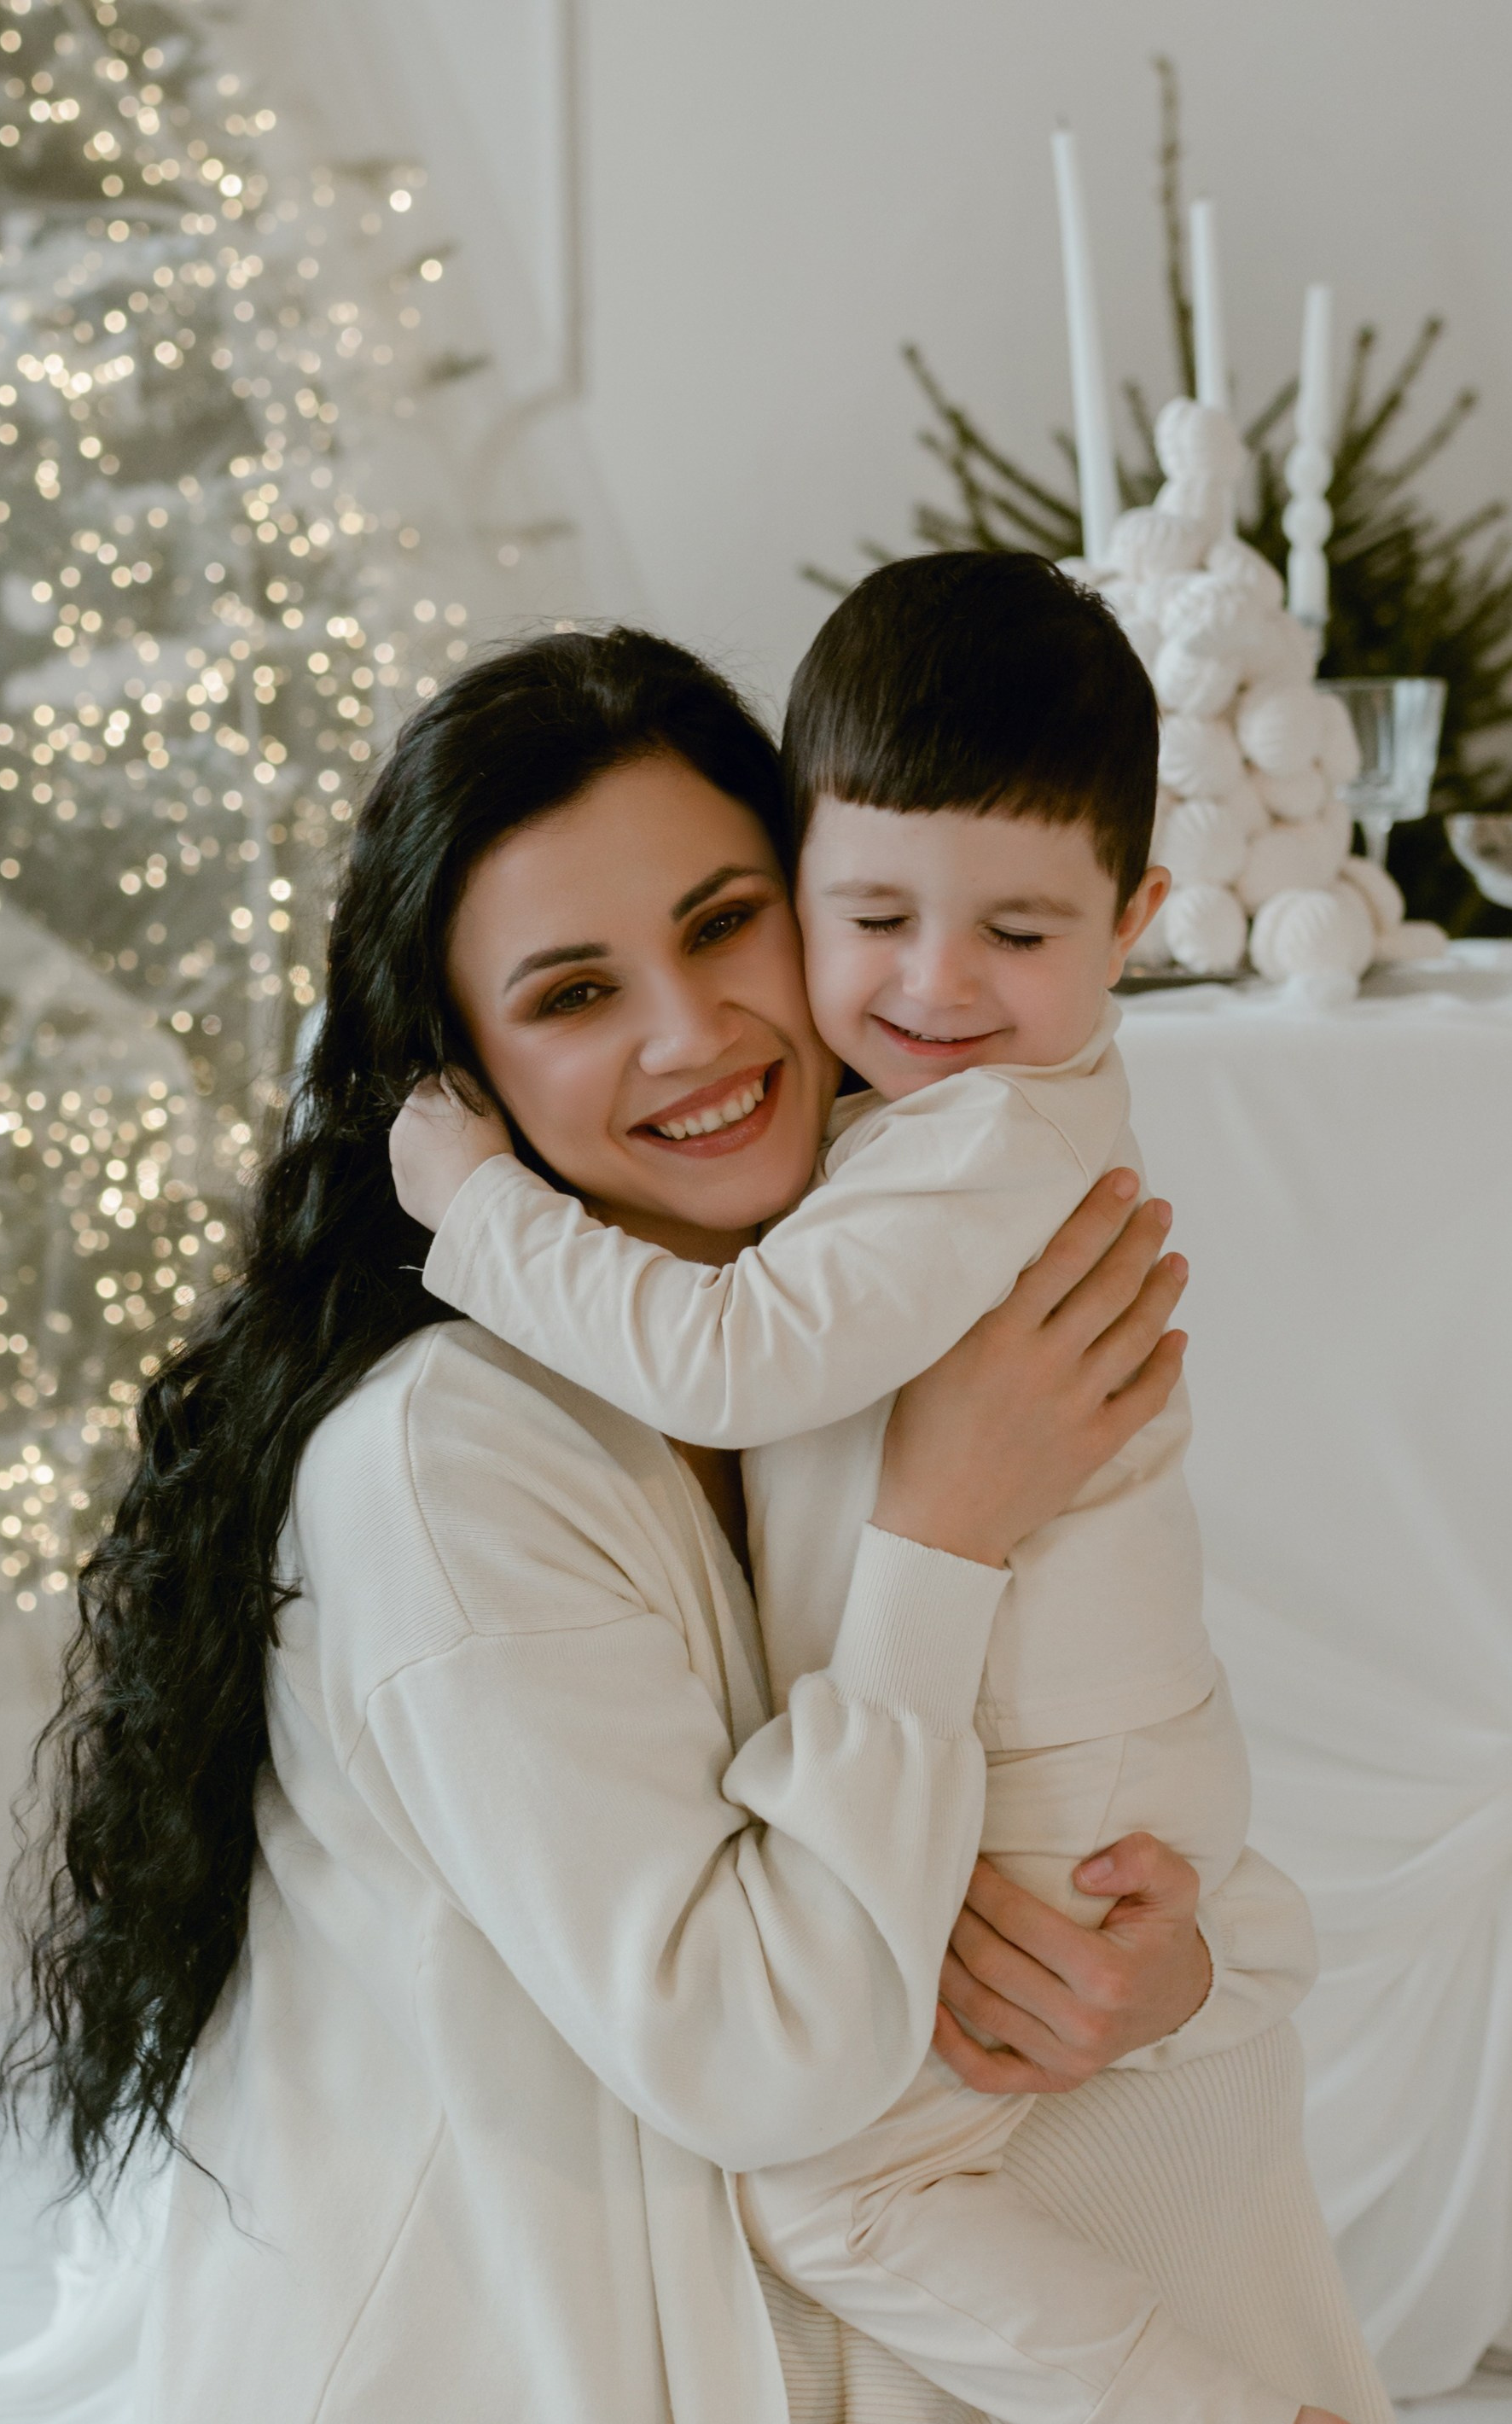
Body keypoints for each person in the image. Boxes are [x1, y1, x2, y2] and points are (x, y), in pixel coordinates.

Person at [0, 626, 1325, 2424]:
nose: (693, 1033)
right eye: (570, 995)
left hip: (835, 2299)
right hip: (580, 2361)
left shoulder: (883, 1289)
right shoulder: (450, 1461)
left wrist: (1171, 1963)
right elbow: (764, 2063)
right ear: (457, 1072)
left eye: (721, 923)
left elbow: (1114, 1738)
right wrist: (944, 1530)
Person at [389, 565, 1390, 2424]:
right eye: (868, 918)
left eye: (1015, 930)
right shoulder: (456, 1458)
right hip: (1066, 1758)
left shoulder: (981, 1141)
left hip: (1049, 1785)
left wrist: (479, 1206)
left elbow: (733, 1358)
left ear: (1136, 921)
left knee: (838, 2189)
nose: (933, 986)